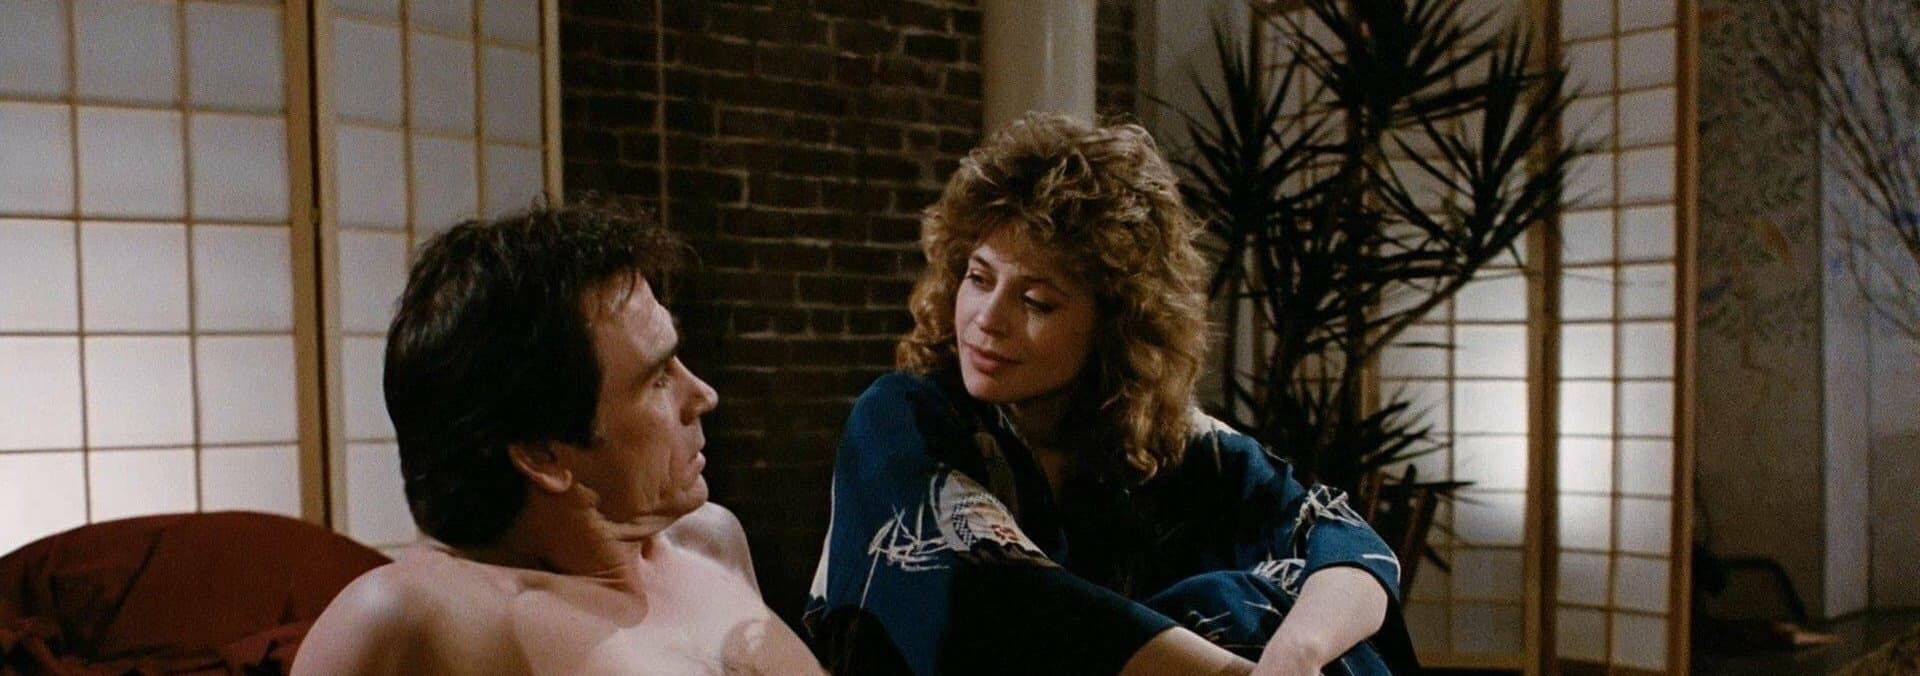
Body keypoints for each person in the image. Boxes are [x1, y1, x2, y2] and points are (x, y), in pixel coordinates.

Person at [804, 114, 1405, 676]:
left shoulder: (1168, 441)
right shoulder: (901, 417)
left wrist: (1297, 652)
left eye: (1036, 301)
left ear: (1113, 323)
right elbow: (1012, 600)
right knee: (1225, 609)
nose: (987, 318)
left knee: (1268, 608)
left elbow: (1343, 538)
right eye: (978, 278)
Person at [293, 203, 823, 675]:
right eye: (657, 378)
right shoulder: (414, 615)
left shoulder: (709, 540)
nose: (703, 395)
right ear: (542, 453)